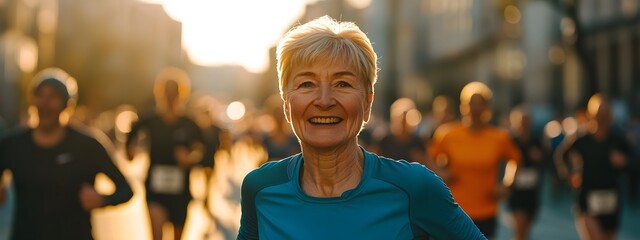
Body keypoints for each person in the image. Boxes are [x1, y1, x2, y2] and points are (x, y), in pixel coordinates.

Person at [237, 16, 485, 239]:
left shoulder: (416, 188)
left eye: (343, 83)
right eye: (307, 84)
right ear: (286, 104)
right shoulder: (259, 189)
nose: (324, 100)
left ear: (367, 103)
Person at [0, 68, 133, 239]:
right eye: (40, 95)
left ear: (67, 105)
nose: (45, 103)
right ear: (32, 101)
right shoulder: (13, 144)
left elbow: (126, 189)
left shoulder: (87, 146)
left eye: (53, 97)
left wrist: (103, 199)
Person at [428, 81, 521, 239]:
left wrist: (506, 184)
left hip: (487, 209)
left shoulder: (499, 137)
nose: (475, 109)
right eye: (470, 103)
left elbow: (515, 160)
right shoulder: (447, 134)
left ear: (487, 107)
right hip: (455, 209)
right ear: (463, 106)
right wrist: (441, 172)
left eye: (480, 104)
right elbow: (429, 158)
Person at [125, 67, 209, 240]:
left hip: (181, 190)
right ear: (160, 93)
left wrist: (190, 158)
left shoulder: (189, 124)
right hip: (155, 189)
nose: (171, 97)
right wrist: (131, 151)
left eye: (175, 93)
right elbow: (130, 139)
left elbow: (204, 150)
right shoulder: (150, 121)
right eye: (167, 92)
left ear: (182, 94)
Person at [555, 94, 632, 240]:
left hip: (611, 200)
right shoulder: (581, 139)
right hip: (587, 198)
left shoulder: (619, 140)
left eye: (605, 114)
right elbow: (561, 155)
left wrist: (624, 162)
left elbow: (633, 164)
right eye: (599, 114)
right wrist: (569, 174)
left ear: (610, 116)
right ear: (591, 115)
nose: (602, 118)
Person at [506, 106, 545, 240]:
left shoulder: (536, 140)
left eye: (527, 121)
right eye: (521, 121)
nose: (524, 125)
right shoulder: (511, 140)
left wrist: (539, 157)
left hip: (532, 192)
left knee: (525, 231)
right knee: (519, 230)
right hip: (516, 192)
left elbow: (546, 160)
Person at [373, 97, 427, 165]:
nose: (403, 122)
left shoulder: (418, 143)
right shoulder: (384, 141)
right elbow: (374, 163)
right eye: (400, 117)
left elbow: (429, 166)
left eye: (406, 118)